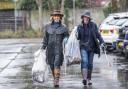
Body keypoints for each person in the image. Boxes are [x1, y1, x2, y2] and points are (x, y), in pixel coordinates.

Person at [76, 10, 105, 86]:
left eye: (87, 17)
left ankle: (89, 79)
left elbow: (98, 35)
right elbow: (78, 37)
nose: (86, 18)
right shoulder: (80, 26)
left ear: (89, 18)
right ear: (82, 18)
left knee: (90, 64)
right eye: (85, 17)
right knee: (85, 61)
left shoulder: (93, 25)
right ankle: (84, 79)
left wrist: (102, 42)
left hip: (91, 48)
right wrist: (78, 31)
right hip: (83, 47)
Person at [41, 10, 69, 88]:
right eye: (55, 16)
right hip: (50, 49)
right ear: (52, 17)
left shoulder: (64, 27)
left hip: (59, 49)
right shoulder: (47, 26)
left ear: (60, 17)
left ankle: (56, 80)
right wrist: (43, 46)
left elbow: (67, 36)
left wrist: (66, 39)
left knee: (57, 63)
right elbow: (45, 38)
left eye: (58, 16)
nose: (56, 17)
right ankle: (55, 78)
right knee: (52, 65)